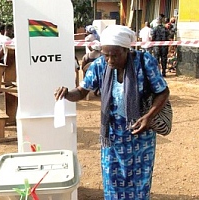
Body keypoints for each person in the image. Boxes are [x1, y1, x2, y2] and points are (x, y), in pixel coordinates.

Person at [55, 25, 170, 199]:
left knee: (140, 184)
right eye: (105, 54)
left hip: (140, 137)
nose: (109, 60)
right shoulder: (100, 65)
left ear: (126, 50)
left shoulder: (145, 62)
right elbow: (82, 91)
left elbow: (163, 92)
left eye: (114, 55)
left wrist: (148, 117)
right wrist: (66, 94)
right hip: (112, 137)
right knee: (112, 182)